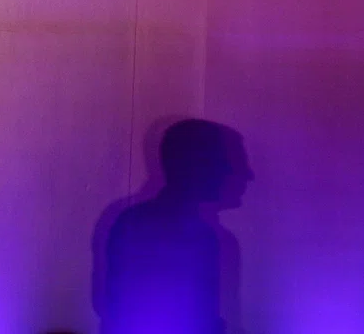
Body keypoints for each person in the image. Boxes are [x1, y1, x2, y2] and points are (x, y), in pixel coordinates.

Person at [102, 119, 253, 334]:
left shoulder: (135, 224)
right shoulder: (201, 237)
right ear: (202, 168)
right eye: (234, 163)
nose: (248, 174)